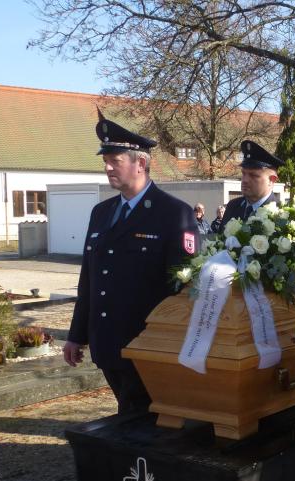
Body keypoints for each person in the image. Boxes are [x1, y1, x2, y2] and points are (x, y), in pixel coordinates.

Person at [63, 114, 199, 414]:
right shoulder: (102, 212)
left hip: (147, 344)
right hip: (107, 342)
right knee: (130, 416)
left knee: (142, 419)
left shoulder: (173, 214)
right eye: (106, 161)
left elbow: (182, 287)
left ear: (141, 163)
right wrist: (77, 335)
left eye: (115, 160)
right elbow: (90, 278)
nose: (108, 167)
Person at [219, 140, 283, 228]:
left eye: (253, 175)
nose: (245, 180)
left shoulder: (281, 214)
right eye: (243, 173)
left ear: (271, 180)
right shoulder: (233, 206)